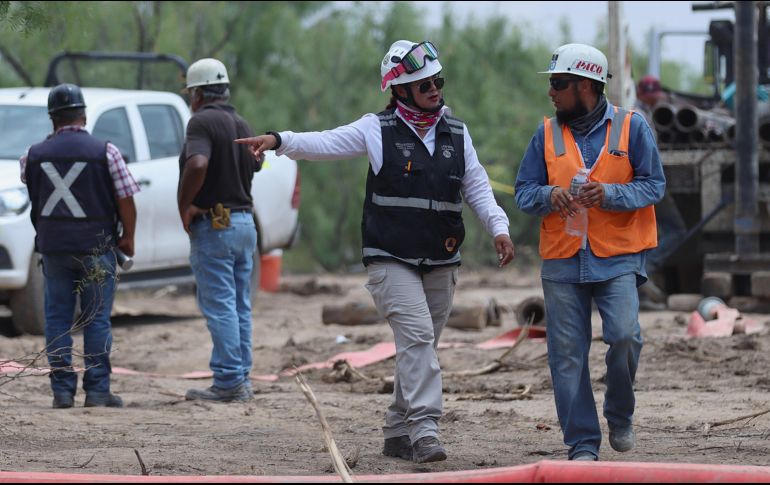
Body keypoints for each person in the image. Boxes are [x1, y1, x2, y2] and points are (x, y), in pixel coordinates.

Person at [236, 40, 515, 464]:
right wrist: (278, 139)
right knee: (418, 338)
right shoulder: (376, 129)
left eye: (437, 81)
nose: (435, 90)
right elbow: (324, 142)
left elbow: (476, 186)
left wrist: (499, 228)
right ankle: (425, 429)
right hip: (391, 259)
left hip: (441, 260)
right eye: (424, 85)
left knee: (418, 346)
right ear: (399, 90)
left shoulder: (457, 133)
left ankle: (396, 429)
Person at [514, 44, 666, 461]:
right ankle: (582, 443)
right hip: (563, 258)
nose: (551, 92)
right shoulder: (545, 133)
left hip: (617, 255)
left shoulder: (633, 128)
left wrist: (612, 193)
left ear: (585, 86)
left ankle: (619, 413)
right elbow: (525, 193)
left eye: (557, 84)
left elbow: (655, 185)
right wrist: (550, 195)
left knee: (624, 336)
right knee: (566, 356)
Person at [22, 83, 138, 409]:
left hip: (54, 249)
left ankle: (62, 392)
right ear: (84, 115)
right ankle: (98, 391)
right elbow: (126, 197)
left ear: (52, 118)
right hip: (96, 249)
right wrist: (128, 236)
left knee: (57, 319)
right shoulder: (106, 151)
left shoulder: (33, 155)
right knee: (96, 319)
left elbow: (32, 189)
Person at [178, 58, 259, 403]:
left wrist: (185, 204)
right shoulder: (240, 122)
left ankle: (228, 381)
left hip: (215, 224)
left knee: (221, 305)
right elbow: (257, 161)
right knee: (239, 305)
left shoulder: (201, 122)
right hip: (243, 222)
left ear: (197, 93)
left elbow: (197, 163)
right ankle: (241, 378)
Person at [634, 75, 686, 310]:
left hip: (640, 183)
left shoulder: (639, 113)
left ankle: (639, 279)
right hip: (647, 183)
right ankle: (642, 272)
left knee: (645, 232)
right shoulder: (640, 116)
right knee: (675, 229)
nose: (656, 98)